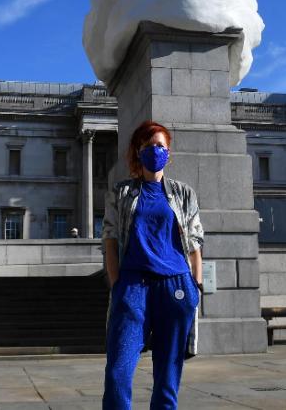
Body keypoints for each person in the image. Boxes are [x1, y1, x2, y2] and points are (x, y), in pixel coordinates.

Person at [102, 120, 204, 410]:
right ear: (138, 152)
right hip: (133, 286)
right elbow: (109, 239)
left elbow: (195, 243)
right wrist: (116, 282)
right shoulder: (121, 193)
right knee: (118, 369)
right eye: (148, 146)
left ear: (168, 153)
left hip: (176, 286)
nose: (155, 151)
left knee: (167, 375)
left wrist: (195, 286)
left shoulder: (184, 194)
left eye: (160, 146)